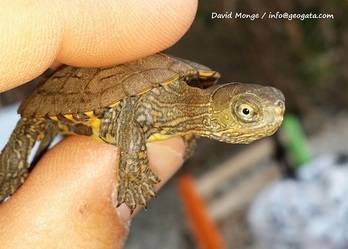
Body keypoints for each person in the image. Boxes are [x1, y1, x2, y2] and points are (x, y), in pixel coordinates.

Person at [0, 1, 197, 248]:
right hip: (75, 95)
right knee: (23, 142)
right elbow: (129, 115)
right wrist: (132, 172)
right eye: (247, 113)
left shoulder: (187, 100)